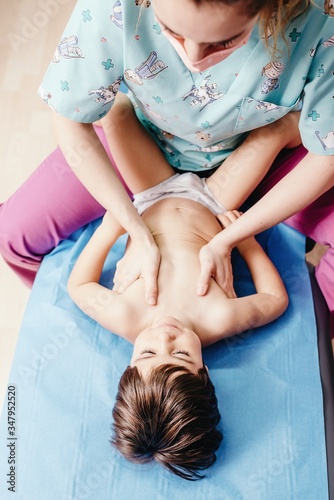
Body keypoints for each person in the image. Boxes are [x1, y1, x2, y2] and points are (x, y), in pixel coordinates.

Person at [0, 0, 333, 333]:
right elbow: (71, 120)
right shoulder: (112, 6)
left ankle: (318, 336)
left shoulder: (320, 22)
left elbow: (326, 159)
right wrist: (134, 227)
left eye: (223, 42)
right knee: (12, 235)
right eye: (172, 31)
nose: (194, 58)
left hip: (258, 151)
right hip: (147, 143)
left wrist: (234, 238)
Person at [67, 93, 289, 479]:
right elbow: (275, 300)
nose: (165, 337)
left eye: (149, 351)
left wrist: (109, 229)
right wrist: (244, 238)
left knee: (117, 114)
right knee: (274, 132)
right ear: (204, 372)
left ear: (130, 365)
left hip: (150, 193)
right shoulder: (217, 318)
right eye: (182, 356)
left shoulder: (125, 315)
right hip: (214, 200)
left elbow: (79, 285)